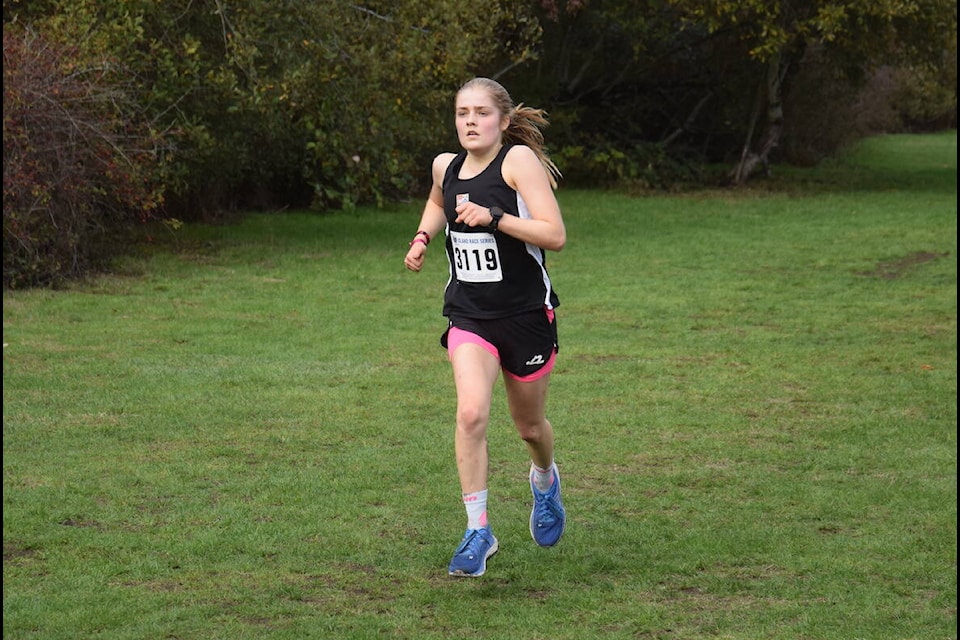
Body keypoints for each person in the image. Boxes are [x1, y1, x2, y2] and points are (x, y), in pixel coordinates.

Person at [403, 77, 567, 577]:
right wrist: (423, 236)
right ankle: (478, 530)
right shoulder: (444, 165)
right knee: (471, 414)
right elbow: (437, 200)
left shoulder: (518, 163)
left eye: (480, 113)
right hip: (469, 314)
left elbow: (554, 234)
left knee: (529, 426)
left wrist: (494, 217)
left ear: (502, 119)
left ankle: (544, 480)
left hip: (525, 318)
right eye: (461, 113)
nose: (470, 121)